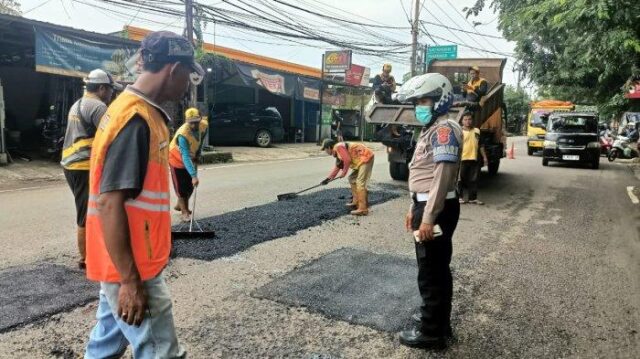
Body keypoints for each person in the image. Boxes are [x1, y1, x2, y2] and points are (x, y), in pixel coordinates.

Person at [84, 31, 204, 358]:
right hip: (131, 264)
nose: (187, 86)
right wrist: (130, 280)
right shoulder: (135, 120)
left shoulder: (138, 111)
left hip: (121, 259)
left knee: (106, 343)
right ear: (173, 69)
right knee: (160, 350)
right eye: (187, 75)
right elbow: (110, 202)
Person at [396, 73, 462, 350]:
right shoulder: (432, 129)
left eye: (423, 100)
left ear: (440, 99)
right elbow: (422, 175)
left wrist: (429, 216)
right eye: (416, 103)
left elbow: (442, 175)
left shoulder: (445, 129)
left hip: (436, 206)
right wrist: (415, 208)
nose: (418, 107)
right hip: (427, 203)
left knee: (430, 272)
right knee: (438, 268)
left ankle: (431, 333)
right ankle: (439, 323)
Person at [60, 69, 123, 269]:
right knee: (86, 212)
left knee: (86, 208)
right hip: (83, 165)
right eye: (111, 89)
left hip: (71, 164)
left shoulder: (79, 103)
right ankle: (86, 258)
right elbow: (112, 137)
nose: (113, 94)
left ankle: (91, 252)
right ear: (102, 88)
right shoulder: (97, 107)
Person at [169, 107, 209, 221]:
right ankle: (184, 212)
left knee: (190, 187)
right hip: (176, 159)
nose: (193, 126)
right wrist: (193, 176)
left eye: (196, 122)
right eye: (191, 123)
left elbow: (201, 140)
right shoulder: (183, 134)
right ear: (187, 122)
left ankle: (179, 204)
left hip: (191, 156)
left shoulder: (204, 125)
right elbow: (185, 156)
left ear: (200, 120)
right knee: (182, 188)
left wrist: (198, 154)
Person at [320, 138, 374, 216]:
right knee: (352, 178)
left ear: (329, 147)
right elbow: (337, 167)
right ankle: (356, 202)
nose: (325, 151)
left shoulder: (338, 147)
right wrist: (327, 179)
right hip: (361, 160)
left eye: (325, 149)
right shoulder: (338, 152)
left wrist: (344, 172)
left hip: (366, 157)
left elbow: (347, 160)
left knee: (359, 182)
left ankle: (363, 208)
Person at [459, 111, 488, 205]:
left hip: (474, 159)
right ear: (462, 121)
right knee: (460, 179)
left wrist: (485, 158)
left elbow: (481, 146)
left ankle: (473, 198)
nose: (468, 121)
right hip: (462, 159)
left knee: (474, 180)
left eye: (469, 119)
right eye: (465, 119)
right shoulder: (459, 131)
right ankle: (459, 197)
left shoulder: (477, 131)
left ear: (472, 120)